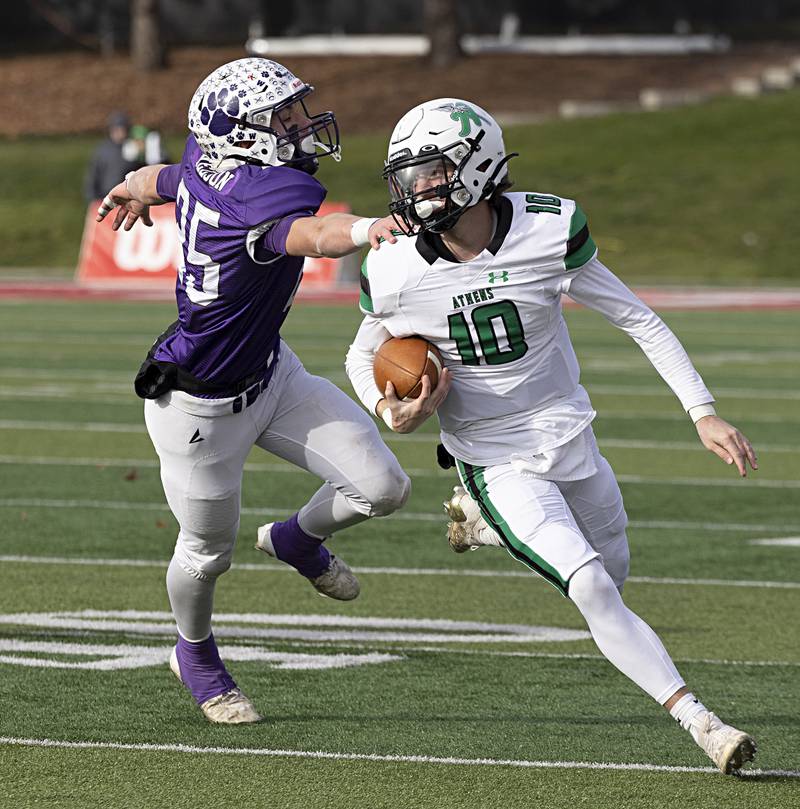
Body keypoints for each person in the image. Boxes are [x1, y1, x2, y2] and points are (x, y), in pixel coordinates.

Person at [345, 98, 759, 774]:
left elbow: (640, 319)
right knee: (591, 585)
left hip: (570, 431)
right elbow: (362, 355)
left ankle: (482, 525)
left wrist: (701, 409)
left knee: (615, 573)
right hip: (489, 452)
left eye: (432, 171)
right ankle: (703, 722)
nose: (417, 189)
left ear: (478, 166)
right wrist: (390, 411)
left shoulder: (547, 227)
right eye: (408, 175)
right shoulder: (393, 266)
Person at [96, 58, 410, 725]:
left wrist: (133, 185)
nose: (299, 124)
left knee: (383, 487)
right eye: (283, 116)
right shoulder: (263, 197)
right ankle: (194, 651)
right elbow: (313, 234)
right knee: (207, 552)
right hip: (198, 410)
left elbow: (174, 175)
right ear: (242, 135)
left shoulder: (214, 163)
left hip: (270, 371)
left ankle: (296, 539)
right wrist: (365, 229)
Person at [84, 111, 140, 203]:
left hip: (127, 200)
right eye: (117, 129)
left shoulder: (133, 148)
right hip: (104, 198)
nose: (120, 133)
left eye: (123, 129)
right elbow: (93, 175)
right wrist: (92, 198)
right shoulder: (103, 151)